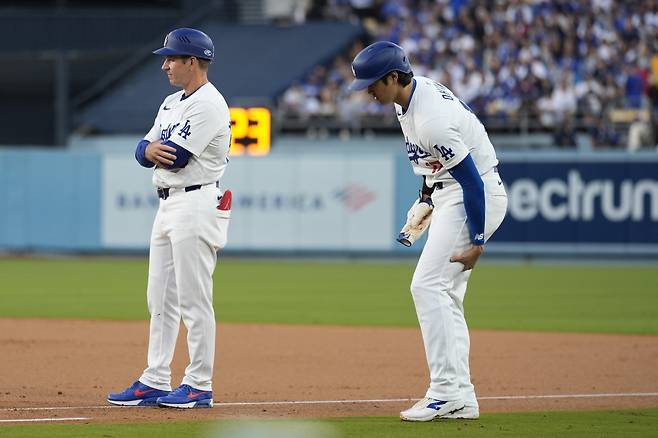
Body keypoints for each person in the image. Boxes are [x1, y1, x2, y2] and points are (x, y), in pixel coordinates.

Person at [349, 41, 508, 421]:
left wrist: (478, 243)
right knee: (445, 295)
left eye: (373, 83)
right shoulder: (406, 97)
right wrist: (426, 198)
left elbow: (471, 182)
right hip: (450, 191)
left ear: (393, 76)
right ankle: (460, 396)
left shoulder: (430, 117)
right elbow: (434, 163)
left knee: (427, 286)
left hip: (474, 195)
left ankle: (444, 393)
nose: (368, 91)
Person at [107, 27, 232, 409]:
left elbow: (175, 158)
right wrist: (148, 149)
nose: (165, 65)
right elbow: (141, 149)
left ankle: (199, 384)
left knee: (194, 299)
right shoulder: (171, 102)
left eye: (171, 58)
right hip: (167, 203)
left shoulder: (209, 103)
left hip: (196, 202)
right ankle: (156, 378)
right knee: (159, 295)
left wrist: (152, 150)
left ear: (191, 62)